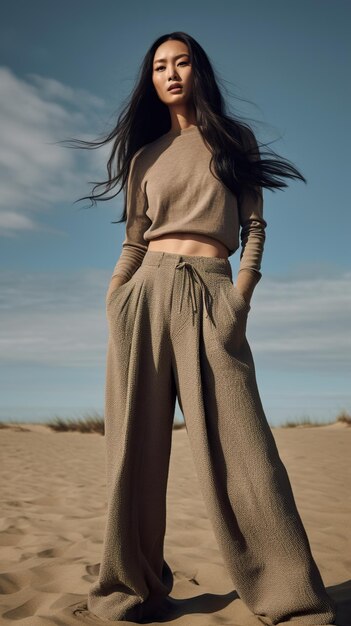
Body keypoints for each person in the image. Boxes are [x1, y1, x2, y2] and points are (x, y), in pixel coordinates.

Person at [68, 31, 338, 625]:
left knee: (247, 453)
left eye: (181, 62)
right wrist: (114, 297)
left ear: (198, 72)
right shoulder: (145, 156)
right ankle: (132, 588)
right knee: (133, 453)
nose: (170, 73)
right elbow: (134, 240)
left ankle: (289, 594)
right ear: (152, 80)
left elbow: (254, 230)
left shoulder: (232, 140)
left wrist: (239, 298)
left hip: (212, 291)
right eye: (159, 66)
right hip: (143, 297)